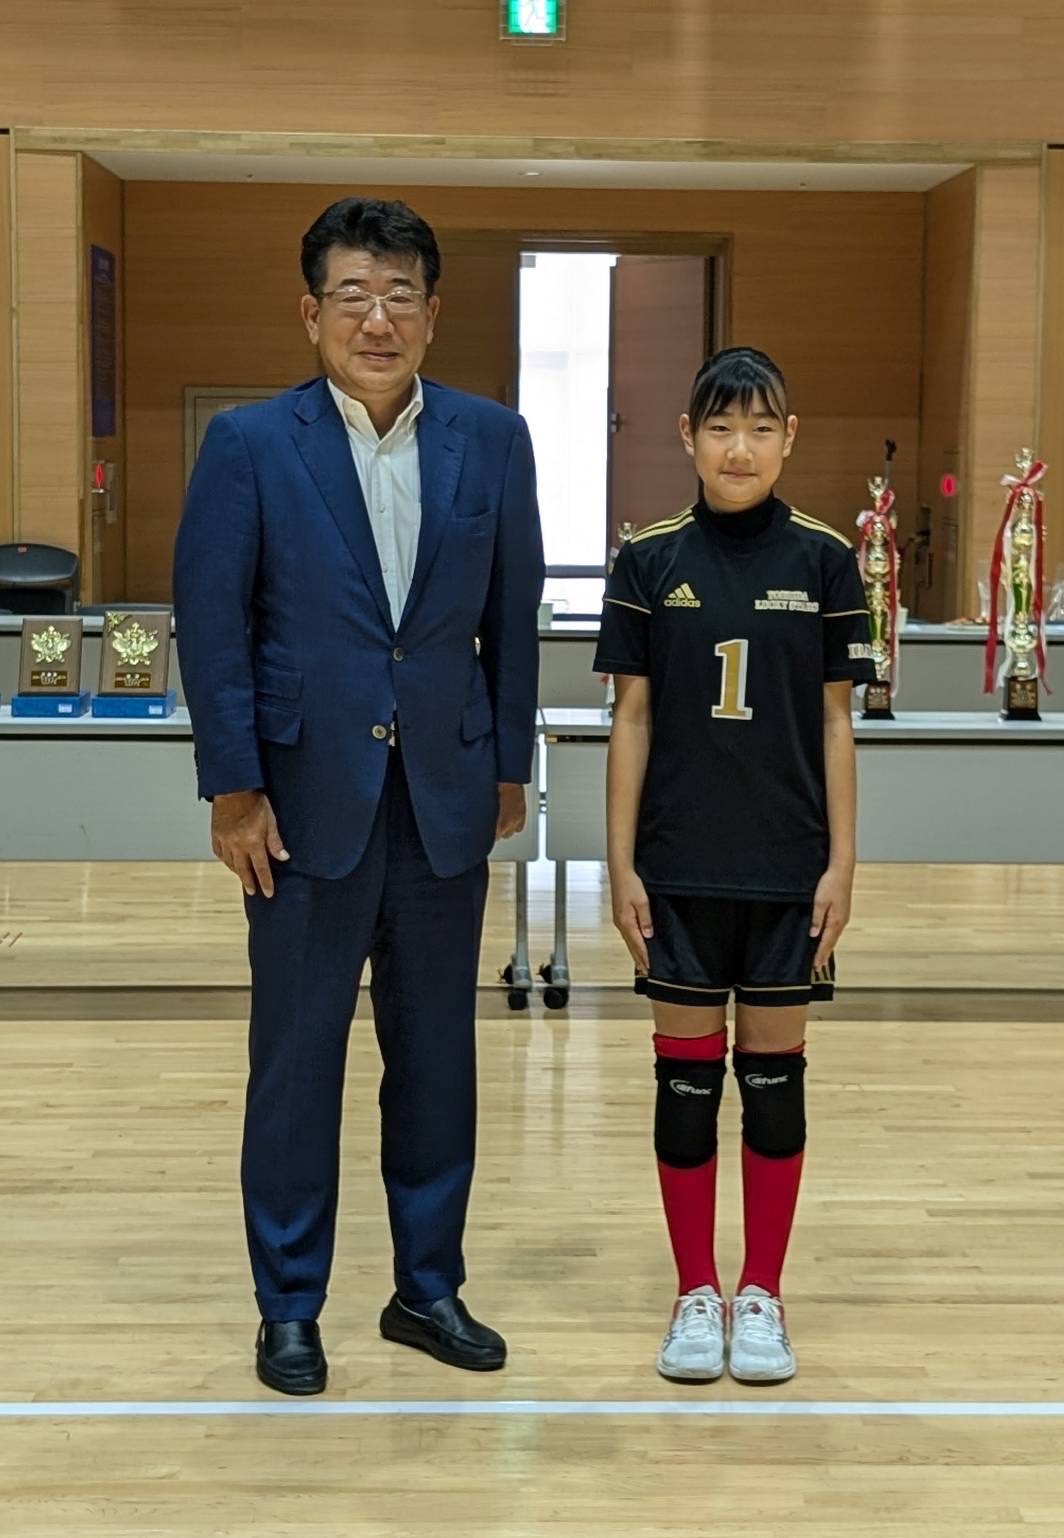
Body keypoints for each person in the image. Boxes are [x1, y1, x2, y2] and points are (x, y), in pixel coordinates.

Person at [174, 197, 544, 1394]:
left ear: (432, 313)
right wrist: (234, 788)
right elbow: (212, 626)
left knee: (436, 1056)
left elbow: (512, 617)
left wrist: (506, 764)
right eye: (352, 295)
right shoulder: (248, 444)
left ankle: (425, 1285)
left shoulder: (491, 440)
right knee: (295, 1059)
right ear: (311, 312)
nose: (376, 319)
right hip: (299, 804)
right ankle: (289, 1301)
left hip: (443, 796)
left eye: (399, 296)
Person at [594, 347, 875, 1385]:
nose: (739, 447)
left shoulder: (826, 560)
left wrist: (841, 863)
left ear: (788, 437)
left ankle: (761, 1293)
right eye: (720, 427)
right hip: (676, 869)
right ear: (687, 436)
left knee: (772, 1085)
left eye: (760, 427)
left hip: (786, 873)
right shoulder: (646, 560)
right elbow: (629, 720)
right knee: (683, 1086)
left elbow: (836, 725)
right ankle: (693, 1293)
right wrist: (619, 864)